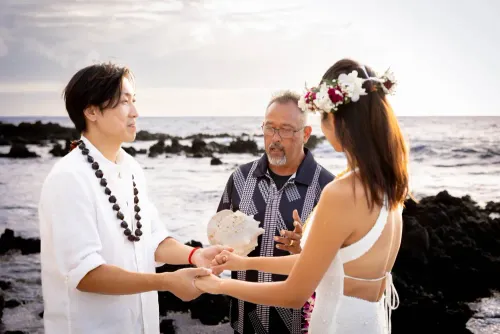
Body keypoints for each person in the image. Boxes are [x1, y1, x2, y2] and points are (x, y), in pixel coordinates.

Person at [195, 58, 410, 334]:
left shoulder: (339, 191)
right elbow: (331, 265)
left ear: (335, 120)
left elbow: (295, 293)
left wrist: (218, 285)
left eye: (321, 115)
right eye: (270, 127)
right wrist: (243, 263)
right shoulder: (389, 185)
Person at [38, 63, 229, 334]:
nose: (135, 112)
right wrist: (167, 282)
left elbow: (150, 238)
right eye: (124, 102)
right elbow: (86, 274)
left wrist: (194, 255)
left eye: (134, 101)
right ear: (91, 111)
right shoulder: (68, 178)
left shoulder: (131, 169)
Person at [216, 90, 334, 333]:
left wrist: (304, 247)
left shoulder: (328, 188)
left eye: (286, 129)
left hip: (302, 325)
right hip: (244, 320)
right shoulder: (239, 179)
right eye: (269, 128)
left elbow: (338, 265)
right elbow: (218, 240)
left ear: (306, 134)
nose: (275, 138)